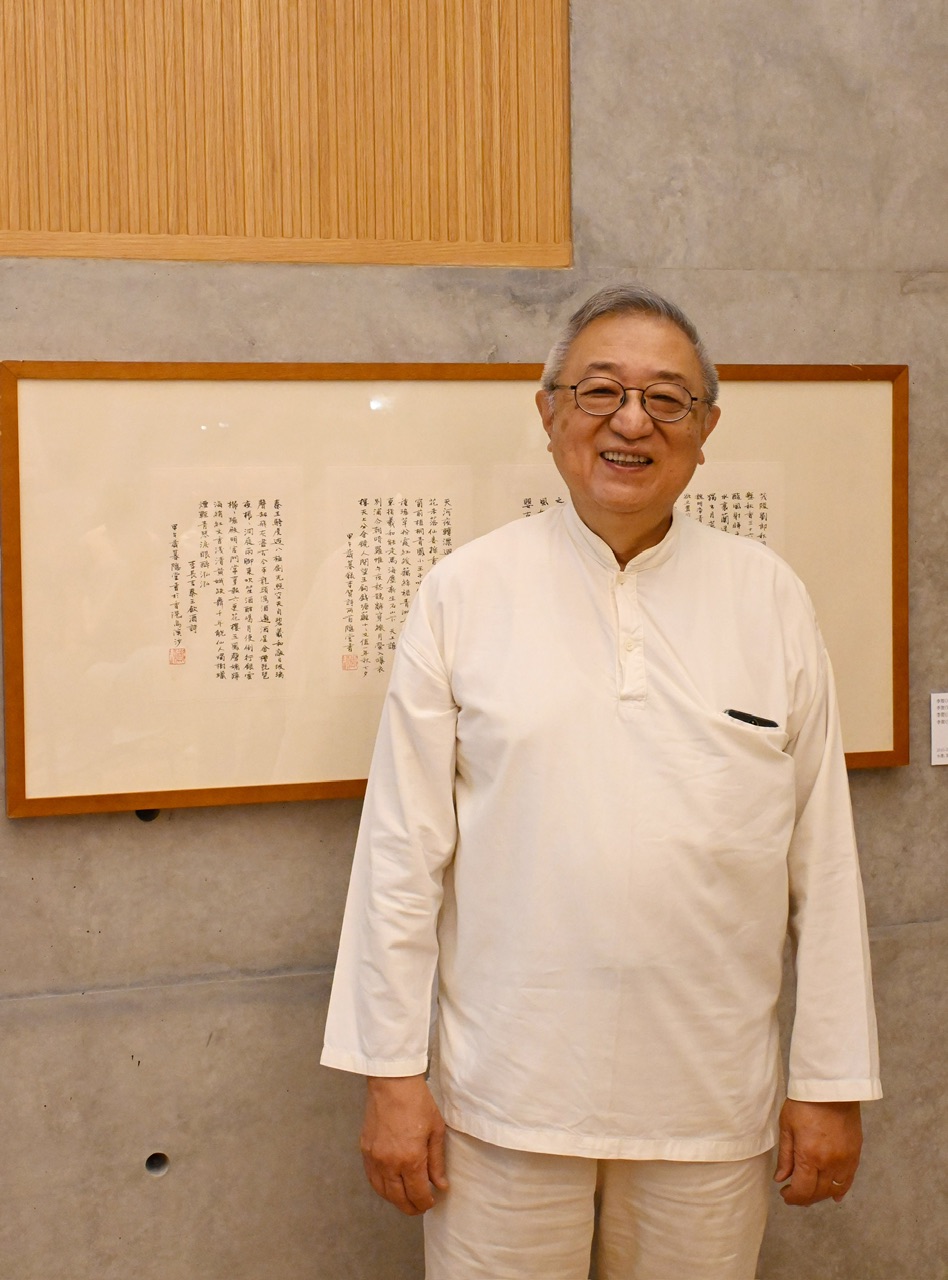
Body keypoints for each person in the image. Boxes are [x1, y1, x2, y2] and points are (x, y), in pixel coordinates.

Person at [321, 284, 881, 1280]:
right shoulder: (466, 590)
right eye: (601, 391)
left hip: (712, 1103)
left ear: (707, 429)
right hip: (500, 1103)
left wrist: (829, 1079)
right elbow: (400, 854)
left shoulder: (770, 598)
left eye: (668, 398)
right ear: (549, 414)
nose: (632, 420)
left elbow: (823, 863)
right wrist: (391, 1076)